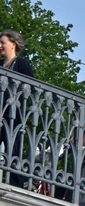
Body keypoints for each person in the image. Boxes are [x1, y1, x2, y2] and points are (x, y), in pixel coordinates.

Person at [1, 30, 34, 189]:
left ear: (13, 44)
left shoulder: (21, 63)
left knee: (13, 151)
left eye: (3, 42)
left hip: (14, 115)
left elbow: (32, 88)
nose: (0, 46)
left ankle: (15, 185)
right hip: (1, 113)